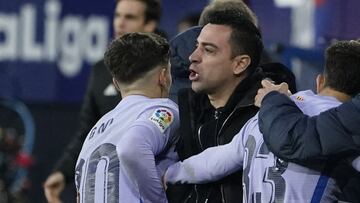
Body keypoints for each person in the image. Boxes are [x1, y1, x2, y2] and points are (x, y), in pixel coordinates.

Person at [164, 40, 360, 202]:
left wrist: (171, 173)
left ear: (320, 81)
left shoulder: (266, 114)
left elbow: (214, 162)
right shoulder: (348, 132)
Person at [166, 6, 296, 202]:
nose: (193, 56)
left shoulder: (269, 116)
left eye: (208, 50)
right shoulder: (184, 108)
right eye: (196, 46)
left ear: (240, 64)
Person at [43, 0, 162, 202]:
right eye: (117, 15)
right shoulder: (102, 69)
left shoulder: (170, 64)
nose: (120, 23)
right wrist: (62, 172)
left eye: (129, 17)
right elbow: (87, 130)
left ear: (150, 24)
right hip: (108, 186)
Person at [75, 32, 179, 202]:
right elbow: (132, 148)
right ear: (163, 77)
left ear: (115, 83)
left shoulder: (96, 129)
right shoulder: (162, 110)